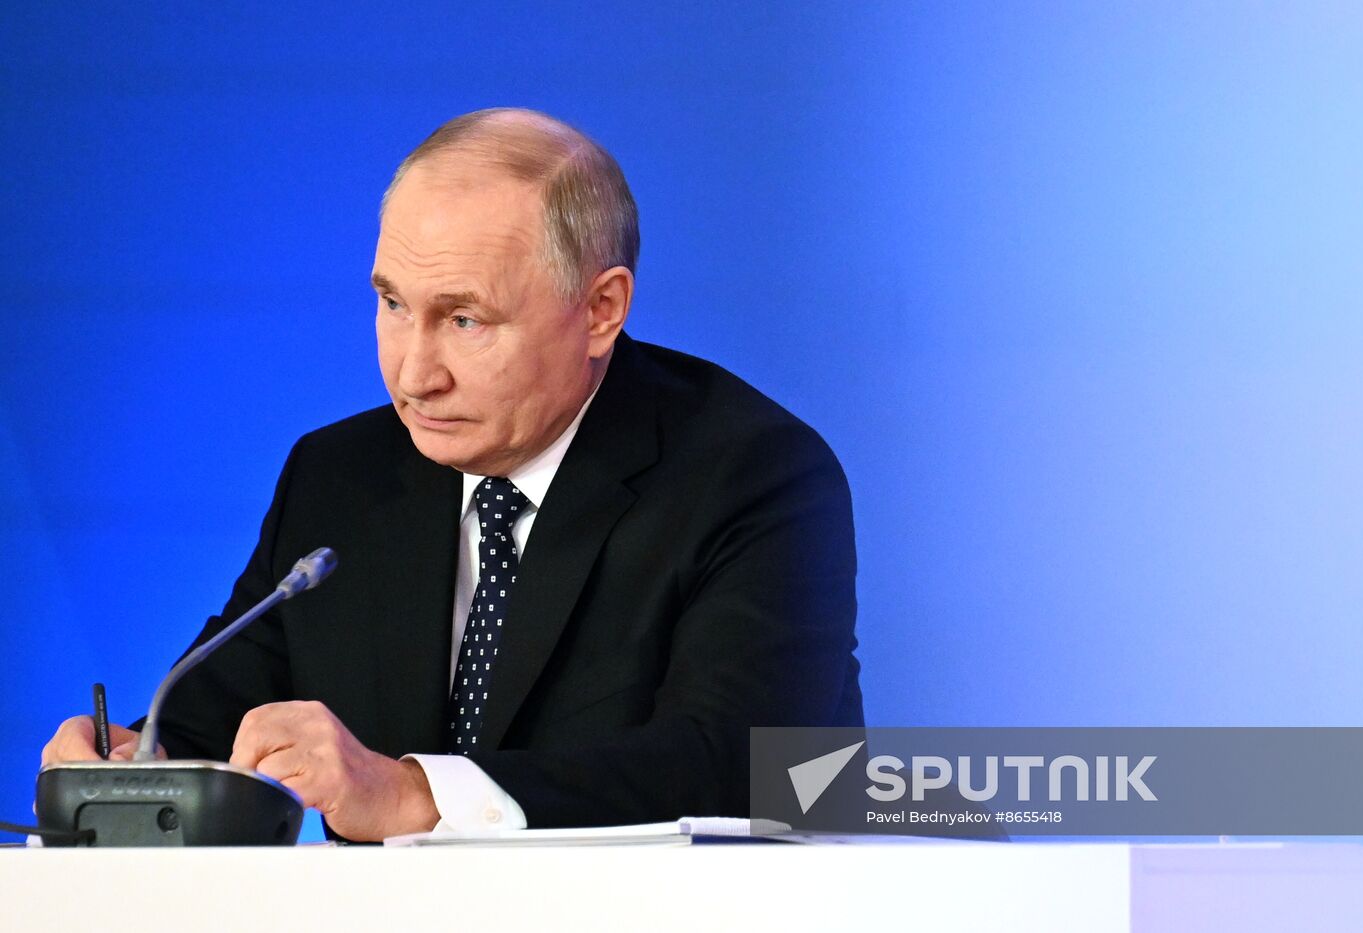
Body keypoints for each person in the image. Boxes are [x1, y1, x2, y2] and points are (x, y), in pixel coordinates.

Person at [41, 108, 862, 841]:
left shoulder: (750, 474)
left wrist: (414, 794)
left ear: (601, 310)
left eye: (464, 319)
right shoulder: (339, 477)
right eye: (394, 304)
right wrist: (133, 764)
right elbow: (218, 711)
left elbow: (741, 765)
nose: (413, 375)